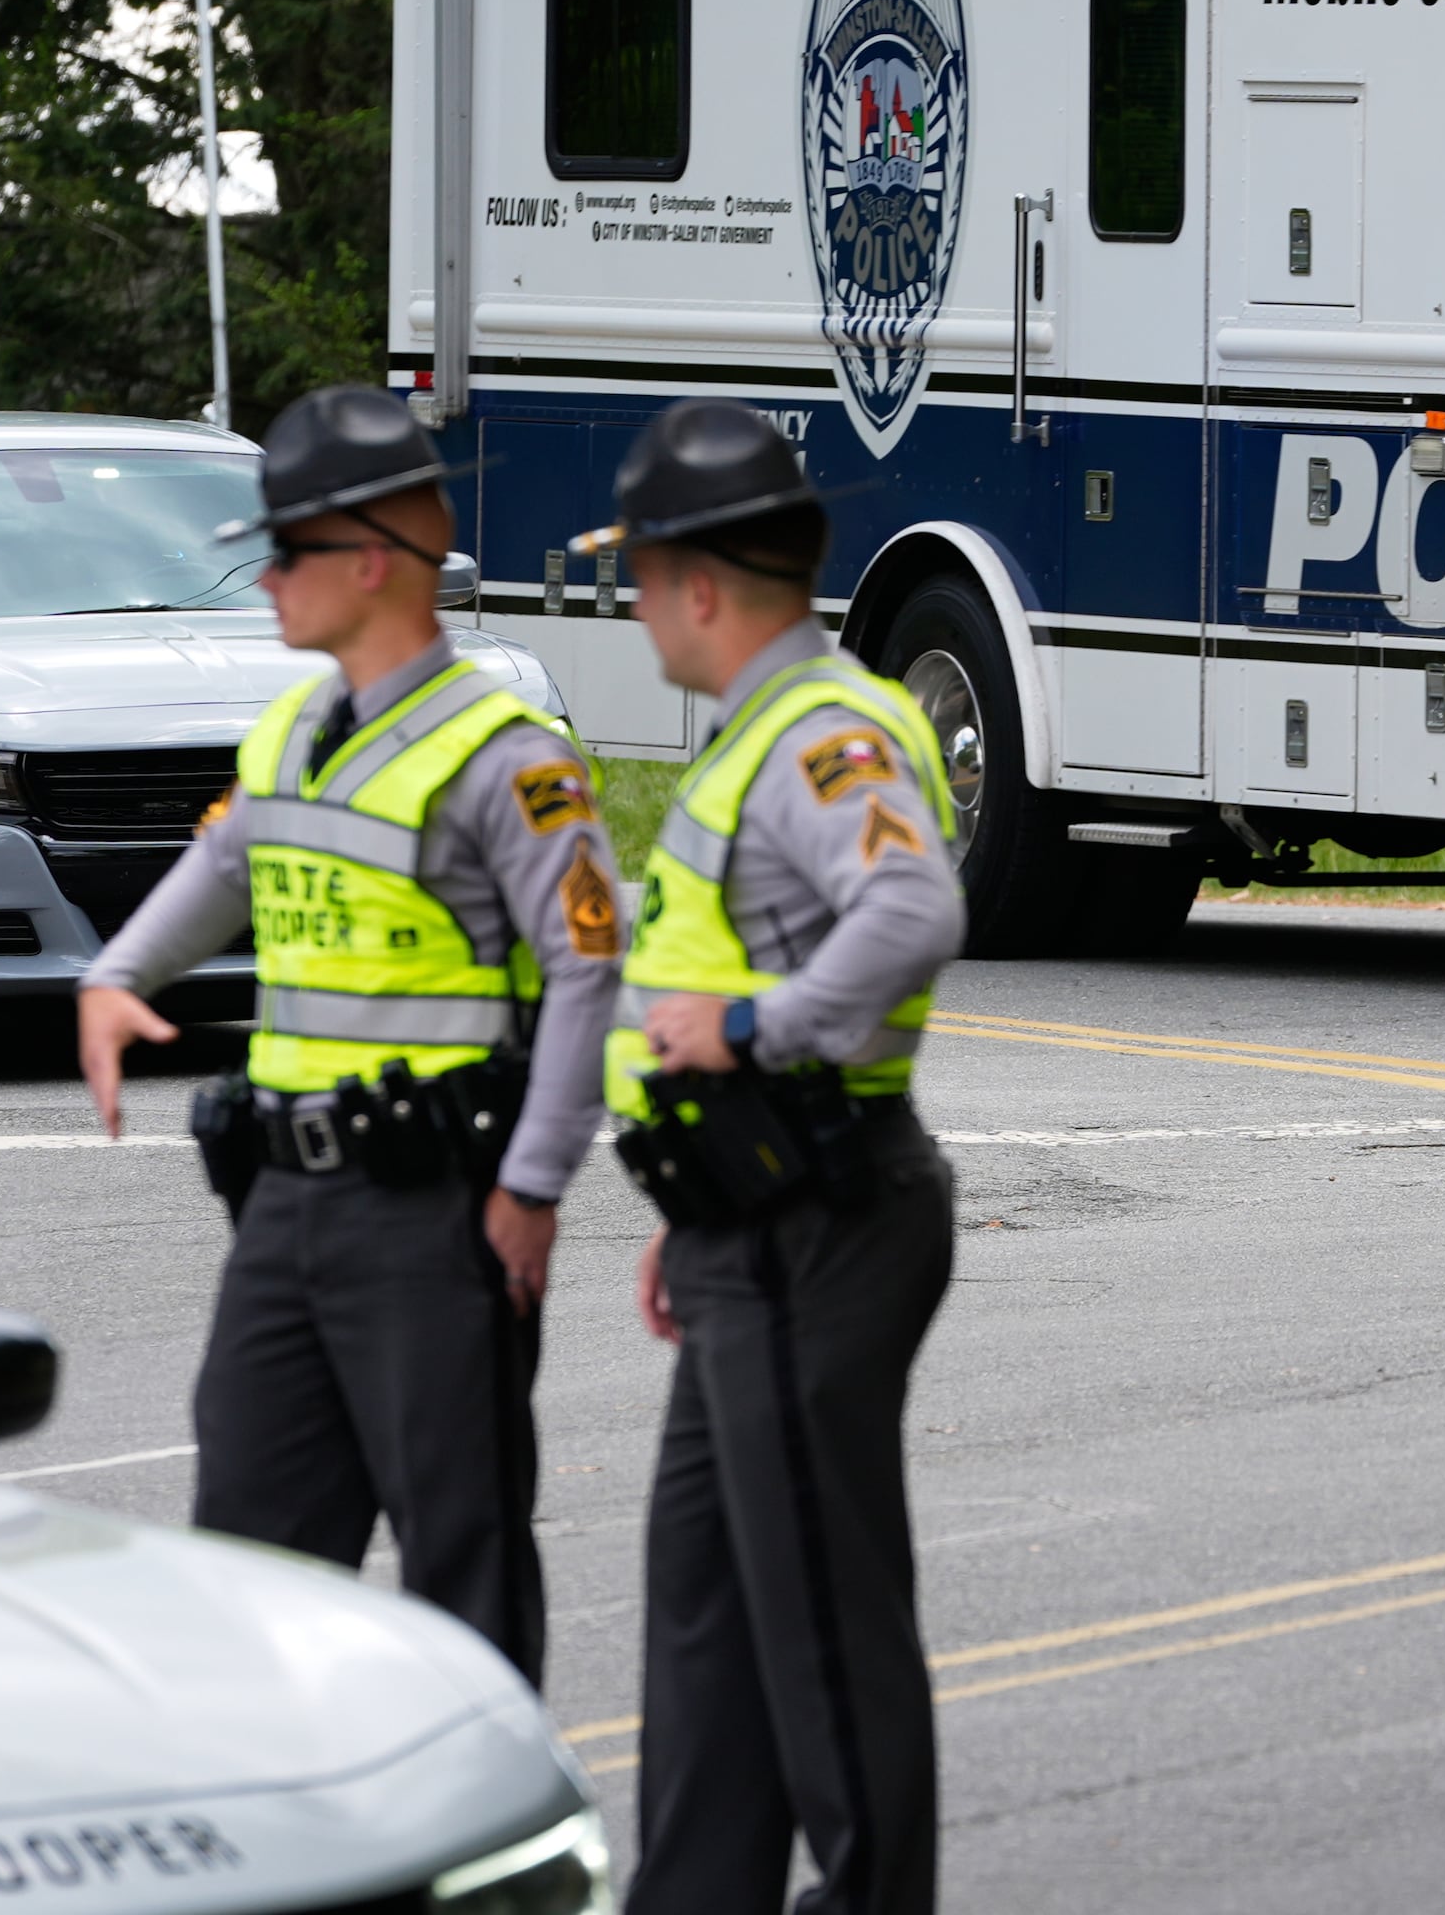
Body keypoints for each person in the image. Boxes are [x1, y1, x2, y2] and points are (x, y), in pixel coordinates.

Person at [74, 383, 621, 1682]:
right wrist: (115, 975)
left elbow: (589, 971)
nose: (263, 581)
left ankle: (482, 1859)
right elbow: (223, 865)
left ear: (372, 560)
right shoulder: (294, 730)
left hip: (437, 1211)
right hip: (283, 1211)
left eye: (286, 553)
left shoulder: (504, 755)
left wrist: (534, 1188)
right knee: (250, 1551)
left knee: (459, 1556)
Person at [587, 399, 967, 1915]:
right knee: (711, 1612)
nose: (631, 606)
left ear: (696, 583)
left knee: (815, 1619)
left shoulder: (824, 732)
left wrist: (750, 1030)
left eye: (639, 573)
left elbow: (913, 909)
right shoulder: (768, 732)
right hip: (751, 1219)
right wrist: (693, 1212)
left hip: (822, 1217)